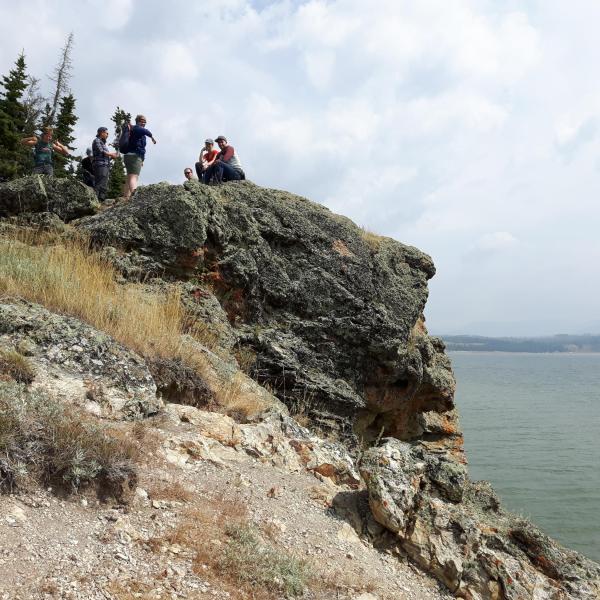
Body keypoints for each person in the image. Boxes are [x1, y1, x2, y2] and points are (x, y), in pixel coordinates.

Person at [122, 114, 156, 200]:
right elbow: (146, 131)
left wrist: (142, 160)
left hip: (130, 156)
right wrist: (152, 136)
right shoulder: (137, 128)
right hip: (134, 156)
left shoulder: (135, 130)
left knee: (129, 177)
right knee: (134, 177)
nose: (144, 123)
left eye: (145, 122)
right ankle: (134, 197)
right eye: (142, 121)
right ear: (137, 121)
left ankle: (126, 197)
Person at [92, 127, 117, 201]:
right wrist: (111, 154)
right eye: (106, 133)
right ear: (101, 132)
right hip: (100, 165)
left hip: (105, 165)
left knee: (104, 184)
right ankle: (95, 200)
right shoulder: (97, 141)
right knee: (99, 182)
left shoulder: (102, 143)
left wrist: (112, 157)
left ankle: (101, 200)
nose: (107, 135)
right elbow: (101, 152)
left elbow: (105, 156)